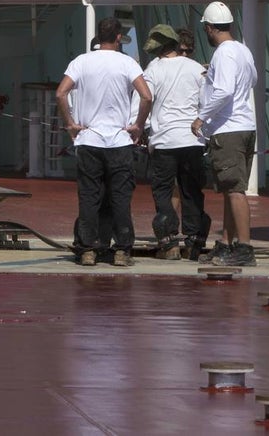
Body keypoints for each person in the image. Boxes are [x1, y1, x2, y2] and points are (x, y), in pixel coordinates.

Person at [57, 17, 153, 267]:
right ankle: (121, 250)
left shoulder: (81, 61)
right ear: (119, 37)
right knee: (121, 197)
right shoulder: (127, 62)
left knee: (89, 196)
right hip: (119, 141)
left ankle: (88, 249)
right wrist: (138, 126)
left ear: (99, 37)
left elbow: (61, 92)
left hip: (88, 139)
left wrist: (70, 123)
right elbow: (146, 95)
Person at [191, 1, 258, 266]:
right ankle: (227, 245)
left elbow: (224, 91)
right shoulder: (243, 50)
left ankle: (244, 248)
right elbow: (250, 81)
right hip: (245, 126)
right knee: (232, 189)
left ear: (209, 28)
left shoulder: (223, 53)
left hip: (228, 129)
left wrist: (201, 117)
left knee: (234, 190)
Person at [141, 24, 211, 261]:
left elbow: (144, 100)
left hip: (165, 141)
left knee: (162, 191)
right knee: (191, 191)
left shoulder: (153, 69)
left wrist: (141, 128)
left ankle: (169, 243)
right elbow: (206, 104)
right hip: (193, 140)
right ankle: (193, 242)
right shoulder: (196, 69)